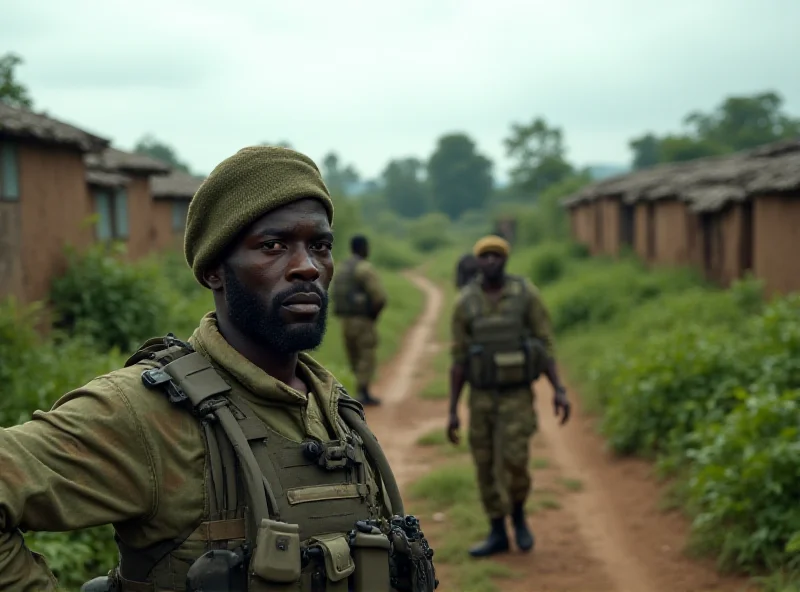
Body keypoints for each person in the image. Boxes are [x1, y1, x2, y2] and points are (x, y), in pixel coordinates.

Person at [0, 146, 436, 592]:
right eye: (273, 245)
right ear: (214, 270)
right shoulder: (148, 413)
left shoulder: (330, 404)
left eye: (320, 246)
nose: (307, 267)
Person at [446, 235, 570, 558]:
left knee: (515, 462)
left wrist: (559, 389)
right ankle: (497, 530)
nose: (490, 262)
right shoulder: (465, 302)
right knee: (485, 464)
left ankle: (519, 515)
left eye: (496, 256)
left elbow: (544, 345)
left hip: (517, 397)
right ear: (477, 261)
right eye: (484, 256)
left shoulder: (525, 295)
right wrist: (453, 410)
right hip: (482, 398)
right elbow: (458, 360)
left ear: (505, 260)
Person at [332, 234, 387, 406]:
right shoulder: (364, 268)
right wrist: (373, 316)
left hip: (345, 320)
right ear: (364, 248)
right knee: (366, 354)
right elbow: (379, 297)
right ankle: (363, 392)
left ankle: (359, 389)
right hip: (362, 320)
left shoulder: (343, 267)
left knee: (354, 354)